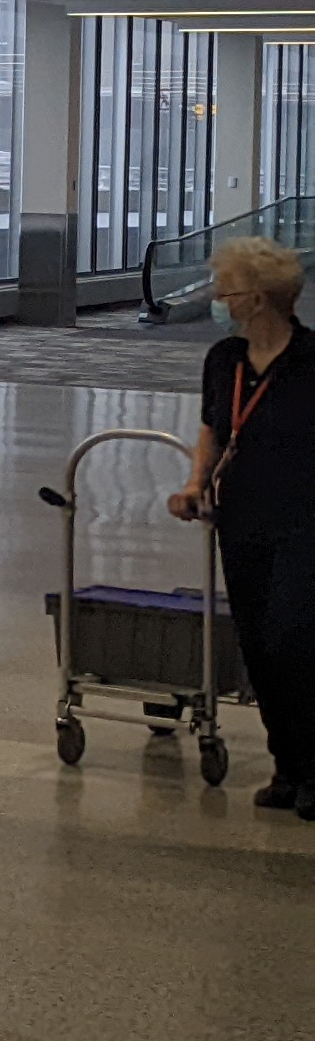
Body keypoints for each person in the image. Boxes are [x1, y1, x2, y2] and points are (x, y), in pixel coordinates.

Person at [171, 238, 315, 818]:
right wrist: (195, 482)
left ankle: (314, 767)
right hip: (243, 514)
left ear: (257, 298)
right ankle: (288, 764)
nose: (219, 299)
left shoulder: (310, 361)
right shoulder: (224, 360)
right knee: (257, 642)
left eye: (226, 289)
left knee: (294, 636)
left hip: (305, 518)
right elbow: (213, 428)